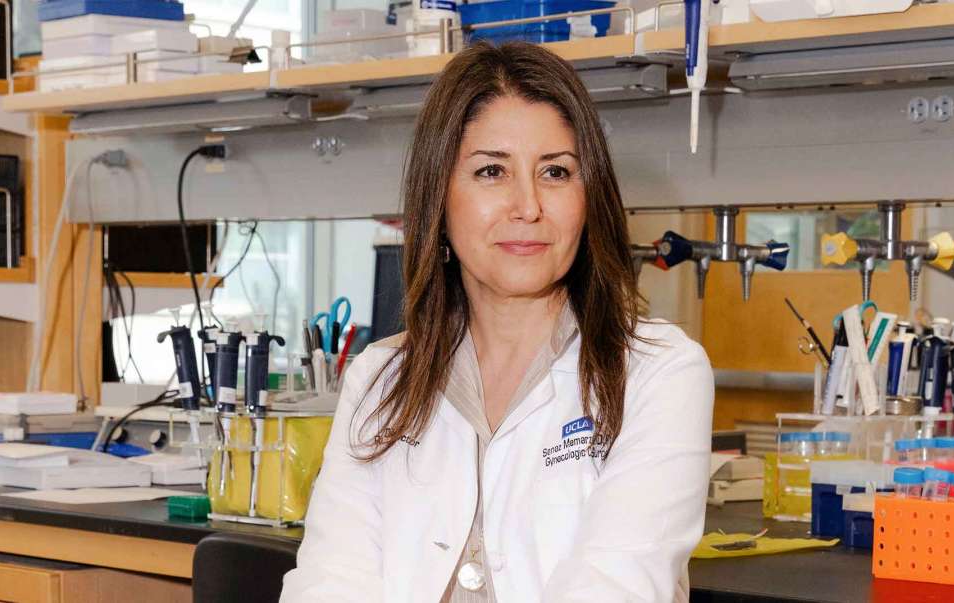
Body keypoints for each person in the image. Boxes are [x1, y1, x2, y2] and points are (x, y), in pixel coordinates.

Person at [281, 41, 713, 602]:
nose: (527, 206)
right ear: (439, 197)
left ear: (589, 196)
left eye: (556, 172)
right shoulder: (381, 379)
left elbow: (614, 588)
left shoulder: (659, 373)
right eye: (491, 171)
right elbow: (329, 587)